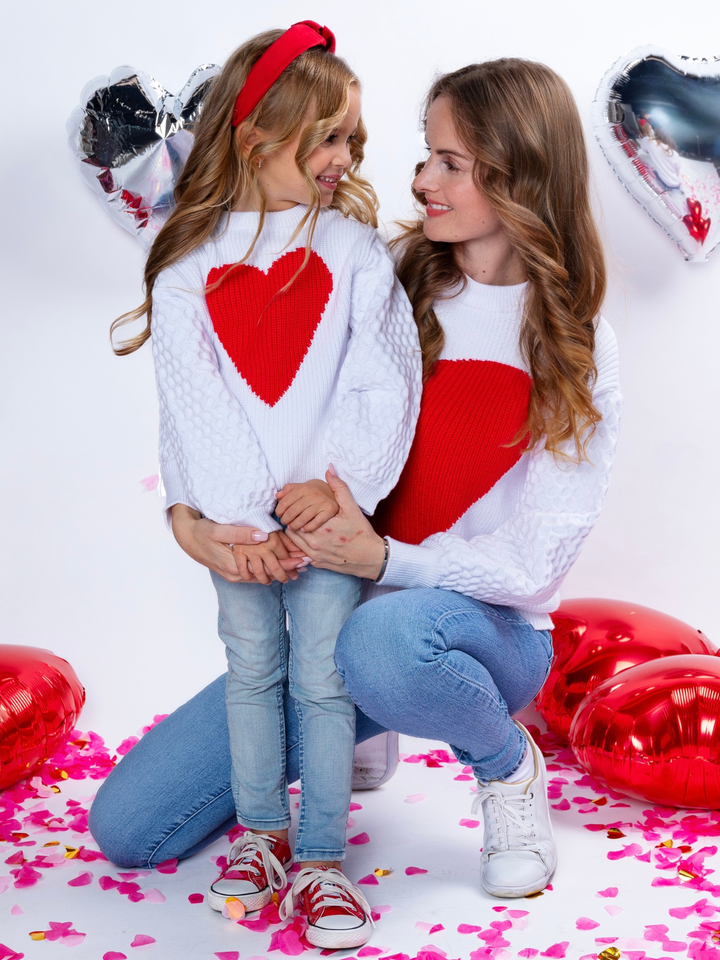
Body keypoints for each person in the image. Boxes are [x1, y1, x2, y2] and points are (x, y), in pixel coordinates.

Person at [89, 57, 621, 909]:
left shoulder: (570, 345)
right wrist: (189, 523)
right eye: (424, 154)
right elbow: (215, 390)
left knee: (383, 645)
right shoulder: (383, 270)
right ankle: (362, 726)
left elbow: (532, 570)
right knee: (130, 826)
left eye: (450, 162)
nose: (419, 179)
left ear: (518, 171)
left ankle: (505, 764)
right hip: (336, 615)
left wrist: (384, 559)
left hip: (476, 636)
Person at [106, 21, 421, 949]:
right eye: (328, 135)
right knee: (255, 674)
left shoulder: (358, 252)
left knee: (323, 680)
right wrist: (243, 525)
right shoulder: (188, 263)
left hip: (328, 524)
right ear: (255, 137)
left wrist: (341, 486)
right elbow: (193, 402)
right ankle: (262, 836)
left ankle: (322, 855)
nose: (346, 156)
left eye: (353, 139)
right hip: (241, 534)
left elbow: (386, 376)